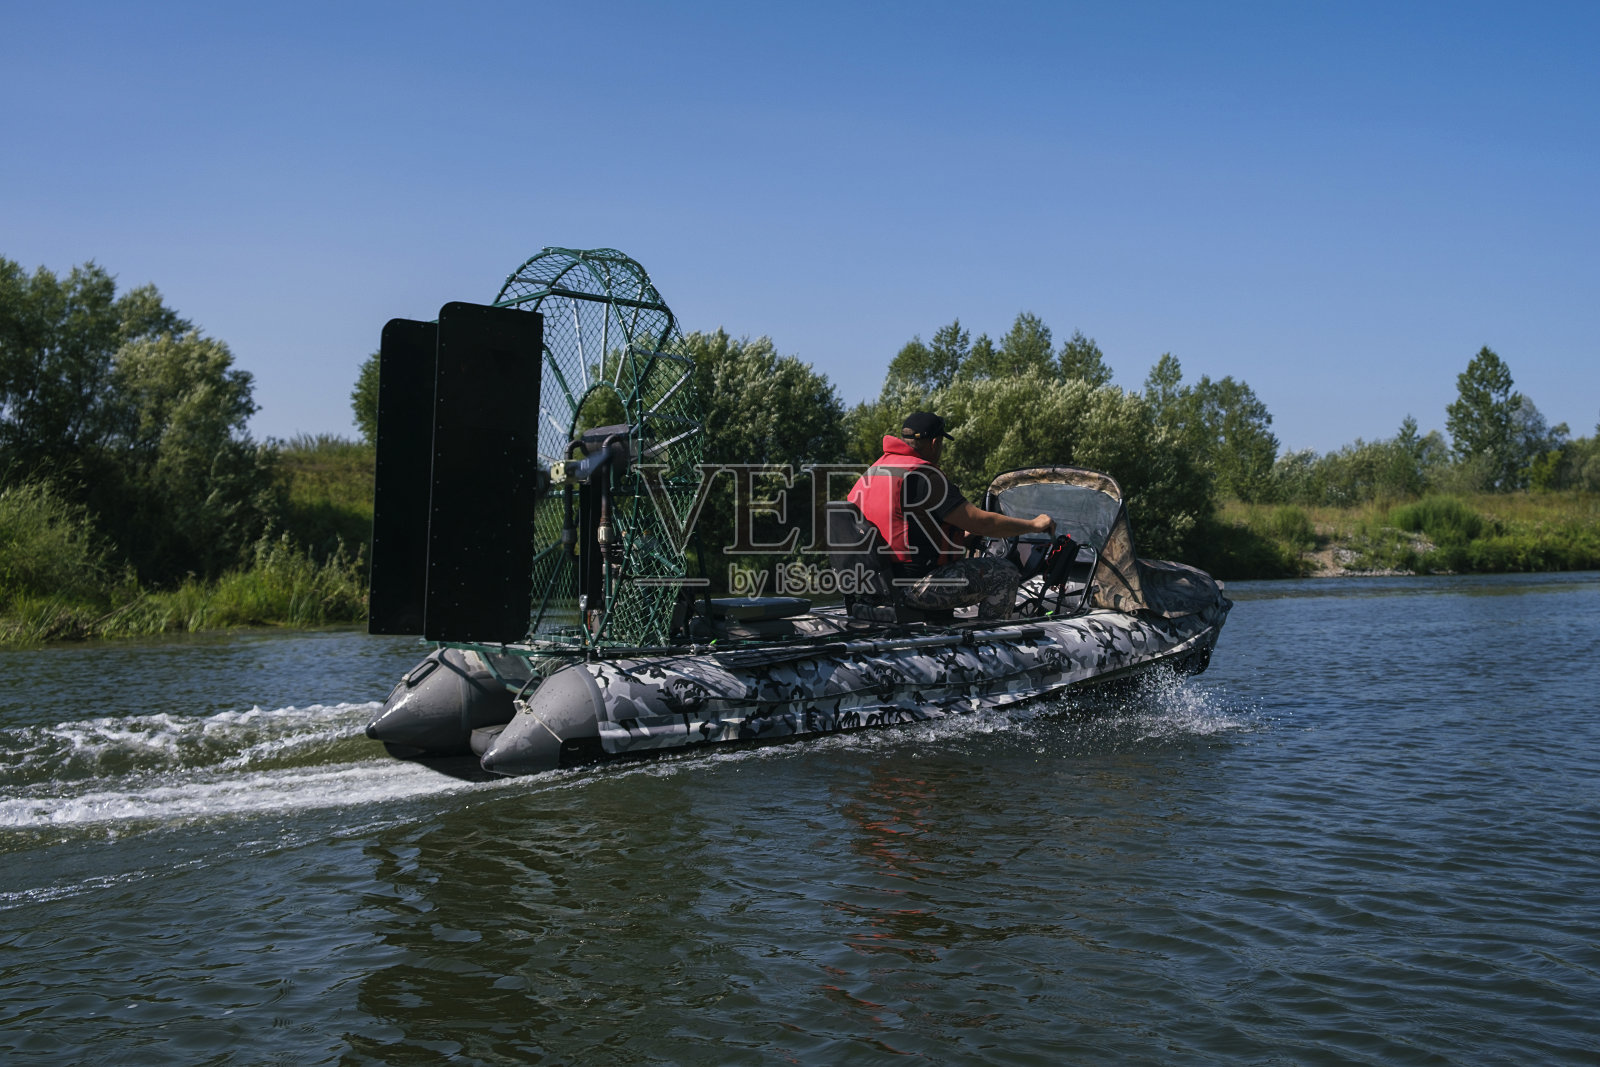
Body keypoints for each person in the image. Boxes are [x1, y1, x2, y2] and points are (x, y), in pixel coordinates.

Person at [847, 411, 1054, 619]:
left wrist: (962, 540)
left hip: (874, 589)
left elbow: (904, 536)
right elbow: (981, 522)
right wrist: (1035, 524)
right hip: (913, 590)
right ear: (935, 442)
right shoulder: (925, 477)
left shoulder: (872, 473)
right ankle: (989, 641)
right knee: (1004, 572)